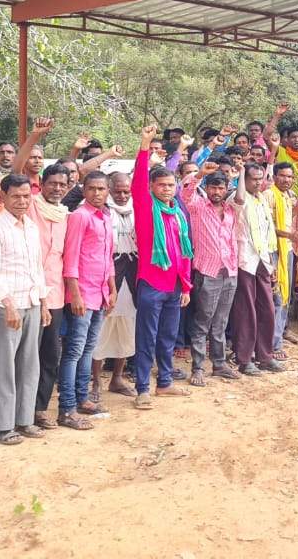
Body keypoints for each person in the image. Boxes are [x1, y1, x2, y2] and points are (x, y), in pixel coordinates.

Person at [0, 173, 45, 446]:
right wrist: (7, 304)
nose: (21, 201)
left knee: (30, 365)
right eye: (15, 196)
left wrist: (41, 301)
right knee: (5, 366)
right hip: (7, 306)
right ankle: (2, 426)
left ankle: (24, 419)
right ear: (3, 197)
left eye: (26, 196)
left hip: (31, 303)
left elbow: (36, 267)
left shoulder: (31, 226)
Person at [132, 126, 196, 404]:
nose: (167, 189)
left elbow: (185, 254)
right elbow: (136, 181)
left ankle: (165, 382)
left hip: (174, 287)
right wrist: (145, 145)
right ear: (151, 187)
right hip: (151, 283)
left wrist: (186, 286)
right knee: (147, 337)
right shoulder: (146, 208)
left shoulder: (177, 215)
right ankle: (143, 388)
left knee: (168, 336)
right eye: (162, 185)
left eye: (171, 185)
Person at [59, 171, 117, 426]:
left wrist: (112, 289)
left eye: (101, 189)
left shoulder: (106, 215)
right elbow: (70, 258)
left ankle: (83, 398)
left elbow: (108, 257)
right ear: (84, 190)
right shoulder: (80, 217)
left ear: (108, 191)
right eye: (91, 189)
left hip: (101, 293)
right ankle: (67, 406)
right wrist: (75, 294)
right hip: (83, 293)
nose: (96, 193)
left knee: (88, 349)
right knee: (73, 350)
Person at [179, 162, 240, 386]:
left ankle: (219, 364)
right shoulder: (197, 207)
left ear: (226, 190)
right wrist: (199, 174)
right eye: (213, 187)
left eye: (221, 188)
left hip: (230, 271)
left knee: (221, 322)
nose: (216, 192)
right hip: (207, 271)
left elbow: (247, 193)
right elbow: (185, 191)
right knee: (202, 322)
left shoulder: (232, 209)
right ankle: (197, 368)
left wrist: (237, 176)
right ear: (207, 188)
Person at [28, 163, 70, 430]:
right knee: (25, 355)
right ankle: (20, 409)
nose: (57, 188)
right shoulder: (29, 205)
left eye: (62, 184)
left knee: (50, 354)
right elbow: (19, 168)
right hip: (28, 293)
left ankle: (40, 408)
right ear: (41, 183)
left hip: (55, 295)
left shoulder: (67, 214)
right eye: (52, 183)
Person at [231, 162, 283, 376]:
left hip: (263, 260)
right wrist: (241, 173)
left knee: (267, 309)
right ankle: (244, 359)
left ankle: (265, 356)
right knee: (246, 311)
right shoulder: (237, 197)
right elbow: (240, 199)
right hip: (245, 260)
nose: (258, 182)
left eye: (260, 178)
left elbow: (267, 233)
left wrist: (272, 262)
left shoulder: (261, 199)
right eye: (253, 178)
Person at [90, 172, 138, 399]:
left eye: (125, 191)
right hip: (108, 272)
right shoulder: (101, 210)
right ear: (108, 189)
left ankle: (118, 377)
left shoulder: (138, 207)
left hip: (132, 271)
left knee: (127, 326)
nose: (121, 195)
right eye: (116, 191)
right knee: (101, 327)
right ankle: (96, 383)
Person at [266, 162, 298, 358]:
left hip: (286, 249)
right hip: (273, 250)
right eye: (283, 176)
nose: (286, 180)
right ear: (275, 176)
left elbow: (289, 220)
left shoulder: (289, 196)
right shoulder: (270, 195)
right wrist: (289, 235)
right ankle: (273, 344)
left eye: (289, 177)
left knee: (286, 295)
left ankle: (277, 340)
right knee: (277, 296)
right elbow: (268, 226)